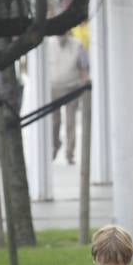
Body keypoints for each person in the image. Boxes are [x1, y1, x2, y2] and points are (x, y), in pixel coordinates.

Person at [49, 32, 89, 165]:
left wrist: (84, 83)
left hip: (72, 88)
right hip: (53, 88)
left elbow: (84, 66)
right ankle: (54, 145)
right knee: (54, 122)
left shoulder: (77, 45)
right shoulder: (48, 44)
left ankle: (70, 153)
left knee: (70, 122)